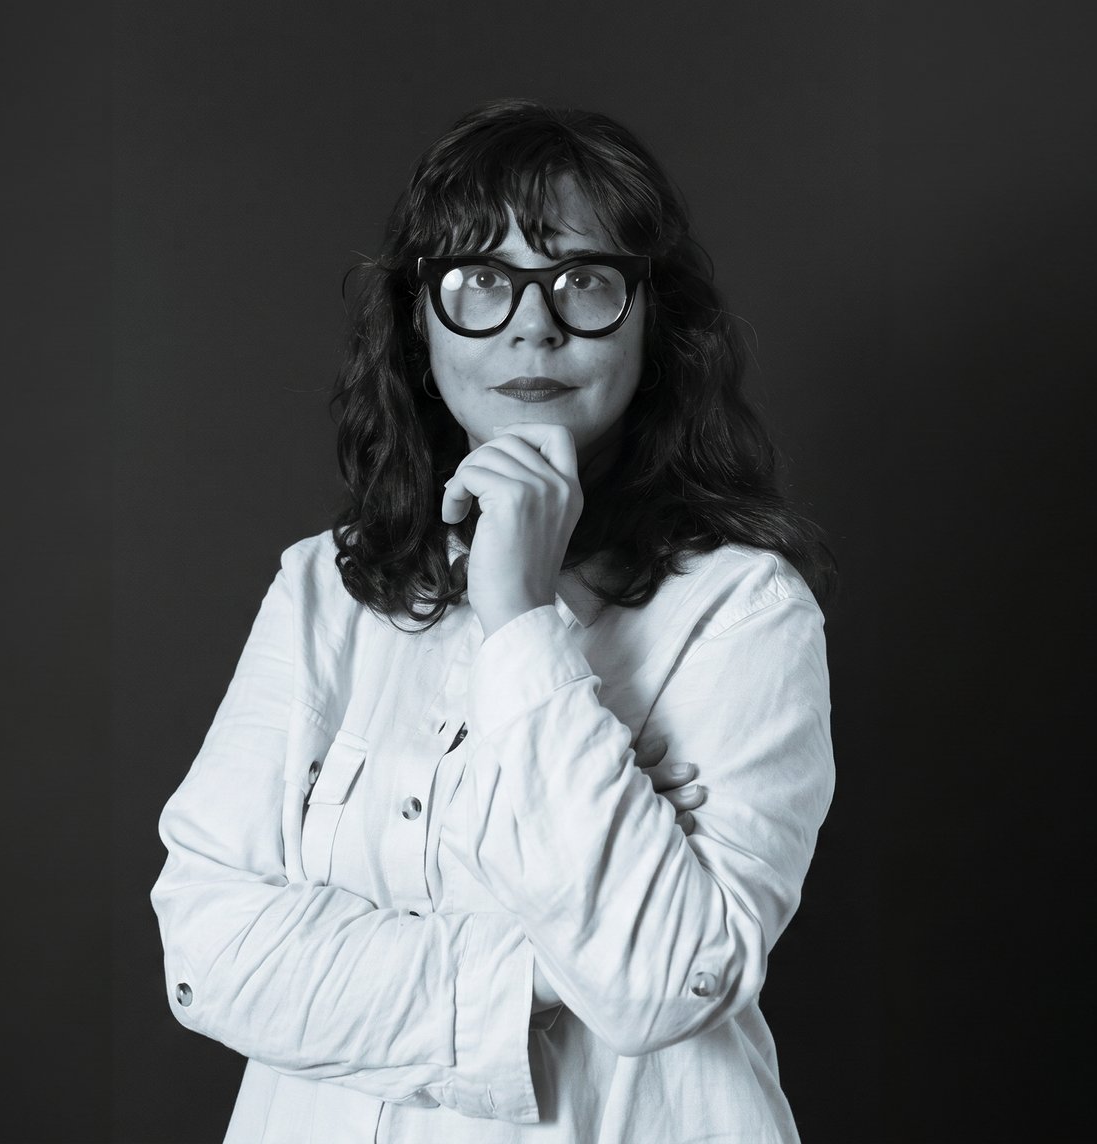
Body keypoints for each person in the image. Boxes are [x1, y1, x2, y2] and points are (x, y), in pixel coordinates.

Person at [151, 98, 837, 1143]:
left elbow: (663, 982)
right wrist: (547, 969)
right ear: (419, 322)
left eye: (584, 279)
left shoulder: (744, 611)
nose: (532, 323)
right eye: (481, 278)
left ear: (652, 322)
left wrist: (520, 617)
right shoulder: (322, 589)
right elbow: (208, 956)